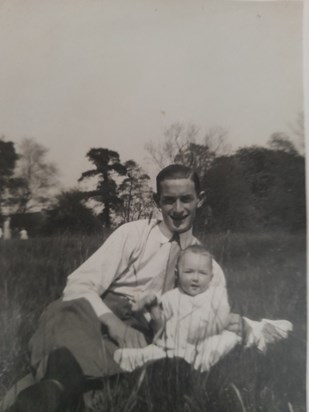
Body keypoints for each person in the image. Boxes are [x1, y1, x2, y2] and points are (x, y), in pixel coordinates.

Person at [12, 164, 239, 412]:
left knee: (145, 369)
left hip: (145, 330)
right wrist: (113, 323)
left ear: (200, 199)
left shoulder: (209, 269)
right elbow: (79, 284)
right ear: (156, 200)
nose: (177, 209)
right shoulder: (135, 234)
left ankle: (53, 392)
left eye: (186, 199)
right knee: (64, 313)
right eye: (168, 201)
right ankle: (58, 390)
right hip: (98, 314)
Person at [114, 245, 292, 374]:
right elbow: (159, 330)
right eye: (189, 272)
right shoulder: (170, 297)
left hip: (211, 336)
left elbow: (223, 318)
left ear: (211, 276)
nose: (195, 279)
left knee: (220, 343)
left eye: (202, 273)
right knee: (155, 351)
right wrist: (153, 309)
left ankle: (200, 365)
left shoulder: (215, 295)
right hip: (177, 342)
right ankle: (155, 361)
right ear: (177, 274)